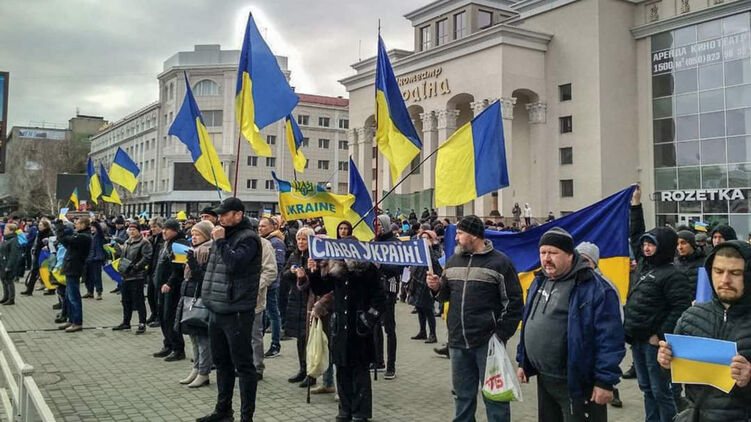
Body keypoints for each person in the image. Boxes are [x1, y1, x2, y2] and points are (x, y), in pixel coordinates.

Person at [517, 230, 624, 422]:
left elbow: (610, 339)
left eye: (553, 253)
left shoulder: (595, 288)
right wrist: (522, 361)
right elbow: (528, 322)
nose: (546, 259)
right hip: (545, 379)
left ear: (569, 255)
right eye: (543, 253)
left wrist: (605, 381)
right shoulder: (539, 280)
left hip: (579, 384)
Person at [426, 215, 523, 422]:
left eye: (460, 233)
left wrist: (500, 335)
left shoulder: (500, 263)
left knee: (495, 398)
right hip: (457, 342)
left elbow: (514, 302)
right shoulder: (453, 261)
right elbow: (445, 295)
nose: (456, 238)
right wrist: (436, 287)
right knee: (462, 397)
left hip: (487, 344)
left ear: (474, 235)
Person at [656, 240, 751, 421]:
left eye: (735, 273)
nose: (725, 280)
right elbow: (673, 375)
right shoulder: (691, 317)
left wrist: (749, 379)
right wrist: (666, 362)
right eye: (718, 272)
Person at [307, 221, 387, 422]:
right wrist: (314, 271)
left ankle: (360, 412)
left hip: (359, 329)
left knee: (359, 373)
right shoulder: (337, 269)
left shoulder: (367, 270)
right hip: (340, 328)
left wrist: (368, 319)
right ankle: (345, 410)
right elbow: (320, 288)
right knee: (341, 370)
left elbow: (380, 297)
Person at [625, 187, 693, 422]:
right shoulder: (644, 265)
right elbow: (635, 234)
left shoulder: (673, 274)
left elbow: (680, 309)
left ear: (663, 246)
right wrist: (635, 204)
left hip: (654, 343)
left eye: (651, 244)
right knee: (646, 389)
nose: (646, 247)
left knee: (661, 391)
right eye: (645, 243)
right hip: (637, 339)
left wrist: (660, 335)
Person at [197, 197, 261, 422]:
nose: (220, 218)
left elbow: (235, 264)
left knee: (243, 366)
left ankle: (246, 416)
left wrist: (221, 242)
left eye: (225, 214)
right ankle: (223, 411)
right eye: (219, 215)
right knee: (222, 363)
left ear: (238, 215)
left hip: (237, 310)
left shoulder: (248, 238)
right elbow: (215, 270)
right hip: (217, 307)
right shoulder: (222, 235)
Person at [575, 241, 624, 408]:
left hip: (597, 342)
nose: (581, 263)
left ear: (594, 262)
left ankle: (610, 389)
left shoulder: (605, 287)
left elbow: (615, 322)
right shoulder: (572, 282)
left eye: (585, 260)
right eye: (578, 258)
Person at [177, 221, 214, 388]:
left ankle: (204, 372)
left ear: (206, 235)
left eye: (197, 234)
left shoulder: (208, 251)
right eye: (192, 234)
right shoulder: (194, 250)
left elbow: (203, 277)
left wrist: (191, 262)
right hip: (189, 295)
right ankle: (196, 368)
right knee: (193, 336)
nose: (194, 237)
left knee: (203, 339)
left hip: (200, 299)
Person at [282, 227, 316, 387]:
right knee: (300, 338)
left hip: (309, 299)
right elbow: (283, 275)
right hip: (296, 299)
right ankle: (302, 369)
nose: (301, 242)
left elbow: (317, 277)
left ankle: (311, 372)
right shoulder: (293, 255)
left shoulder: (314, 256)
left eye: (304, 239)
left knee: (309, 338)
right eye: (299, 239)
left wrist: (306, 272)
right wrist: (292, 272)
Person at [372, 214, 404, 379]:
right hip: (374, 288)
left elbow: (398, 267)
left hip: (389, 288)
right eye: (374, 225)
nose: (376, 227)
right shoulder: (373, 242)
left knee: (389, 328)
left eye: (379, 224)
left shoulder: (395, 243)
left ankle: (391, 365)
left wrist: (381, 265)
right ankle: (378, 360)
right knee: (375, 325)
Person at [152, 218, 188, 362]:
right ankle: (168, 344)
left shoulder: (180, 244)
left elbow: (179, 269)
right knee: (162, 317)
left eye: (167, 229)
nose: (164, 231)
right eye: (163, 228)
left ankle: (178, 348)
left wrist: (170, 283)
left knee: (171, 317)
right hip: (161, 287)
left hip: (172, 288)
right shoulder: (166, 243)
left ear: (175, 230)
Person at [112, 222, 152, 334]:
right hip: (126, 276)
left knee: (139, 301)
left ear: (139, 230)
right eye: (130, 229)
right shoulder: (127, 242)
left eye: (134, 229)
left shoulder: (144, 242)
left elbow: (146, 258)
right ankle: (126, 322)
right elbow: (123, 257)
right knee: (126, 300)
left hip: (137, 276)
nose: (132, 231)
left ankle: (142, 323)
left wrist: (135, 268)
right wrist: (121, 267)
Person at [55, 217, 92, 333]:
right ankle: (71, 320)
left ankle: (77, 322)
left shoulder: (83, 237)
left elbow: (64, 240)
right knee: (68, 297)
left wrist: (59, 227)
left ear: (84, 225)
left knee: (74, 297)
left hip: (74, 268)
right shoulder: (79, 235)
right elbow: (67, 244)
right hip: (71, 267)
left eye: (78, 223)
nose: (75, 225)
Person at [251, 227, 278, 381]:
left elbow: (270, 271)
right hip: (233, 300)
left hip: (254, 299)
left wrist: (255, 287)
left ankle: (257, 367)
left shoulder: (264, 244)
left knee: (254, 335)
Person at [408, 229, 441, 344]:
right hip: (417, 281)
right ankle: (422, 331)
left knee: (428, 309)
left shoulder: (436, 250)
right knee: (419, 308)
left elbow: (436, 263)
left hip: (427, 284)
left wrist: (429, 248)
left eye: (426, 238)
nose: (424, 240)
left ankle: (433, 334)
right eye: (422, 238)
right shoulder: (418, 250)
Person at [258, 217, 285, 359]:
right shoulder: (263, 240)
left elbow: (278, 264)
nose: (260, 228)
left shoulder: (276, 242)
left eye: (263, 226)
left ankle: (275, 344)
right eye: (259, 226)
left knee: (273, 314)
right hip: (263, 285)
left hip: (270, 285)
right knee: (264, 315)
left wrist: (267, 281)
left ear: (272, 227)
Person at [22, 218, 52, 296]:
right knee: (34, 272)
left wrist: (47, 245)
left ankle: (51, 289)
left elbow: (52, 243)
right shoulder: (39, 233)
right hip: (37, 254)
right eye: (39, 225)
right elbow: (36, 243)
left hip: (44, 255)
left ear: (45, 226)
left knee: (45, 272)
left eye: (41, 225)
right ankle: (29, 290)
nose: (39, 226)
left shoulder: (49, 233)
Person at [674, 230, 705, 300]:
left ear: (692, 244)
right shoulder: (674, 263)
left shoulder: (704, 263)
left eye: (683, 243)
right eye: (677, 244)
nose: (680, 247)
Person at [146, 217, 165, 326]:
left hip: (159, 271)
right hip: (151, 270)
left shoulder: (163, 240)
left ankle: (159, 317)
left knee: (157, 296)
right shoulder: (152, 239)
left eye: (155, 227)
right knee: (150, 295)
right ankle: (153, 314)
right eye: (151, 227)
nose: (152, 229)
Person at [83, 221, 106, 300]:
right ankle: (90, 291)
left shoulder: (98, 236)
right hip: (88, 258)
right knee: (88, 277)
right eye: (91, 227)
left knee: (97, 277)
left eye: (94, 227)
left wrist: (94, 222)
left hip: (96, 259)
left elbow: (99, 230)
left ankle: (99, 292)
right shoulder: (89, 236)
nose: (92, 229)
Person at [0, 223, 20, 305]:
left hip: (9, 263)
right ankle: (5, 297)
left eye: (6, 229)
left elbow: (13, 254)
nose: (4, 230)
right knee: (3, 279)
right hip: (2, 263)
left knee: (9, 280)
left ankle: (11, 299)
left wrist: (9, 266)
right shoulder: (5, 239)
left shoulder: (14, 240)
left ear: (11, 231)